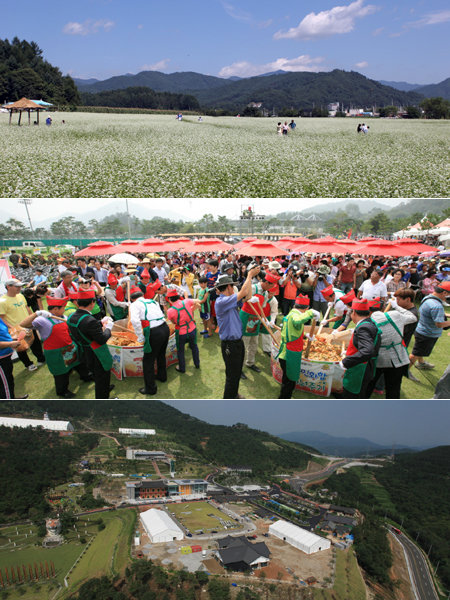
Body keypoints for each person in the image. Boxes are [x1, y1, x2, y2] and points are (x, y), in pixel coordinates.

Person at [20, 296, 92, 398]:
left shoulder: (64, 317)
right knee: (60, 373)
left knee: (78, 363)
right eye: (63, 308)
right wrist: (36, 313)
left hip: (69, 348)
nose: (64, 309)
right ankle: (62, 391)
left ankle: (86, 376)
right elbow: (23, 324)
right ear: (55, 309)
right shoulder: (42, 320)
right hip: (55, 352)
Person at [214, 265, 261, 399]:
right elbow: (242, 294)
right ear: (228, 287)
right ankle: (229, 399)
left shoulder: (230, 300)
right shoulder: (221, 301)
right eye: (232, 286)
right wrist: (249, 275)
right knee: (232, 376)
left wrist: (249, 279)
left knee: (236, 372)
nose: (233, 288)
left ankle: (234, 394)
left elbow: (247, 296)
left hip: (237, 342)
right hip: (230, 345)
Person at [366, 297, 418, 398]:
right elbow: (413, 317)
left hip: (378, 360)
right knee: (393, 388)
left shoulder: (368, 322)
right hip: (397, 359)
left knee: (368, 385)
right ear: (383, 307)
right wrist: (396, 306)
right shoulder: (396, 315)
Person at [67, 290, 114, 399]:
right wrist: (109, 328)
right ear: (93, 303)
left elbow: (84, 329)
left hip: (84, 351)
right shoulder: (89, 320)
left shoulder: (71, 317)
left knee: (97, 375)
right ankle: (103, 396)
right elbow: (102, 339)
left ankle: (104, 387)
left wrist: (100, 323)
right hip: (96, 353)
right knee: (102, 376)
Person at [277, 295, 319, 399]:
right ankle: (284, 399)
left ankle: (285, 396)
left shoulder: (292, 313)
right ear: (306, 308)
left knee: (288, 379)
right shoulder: (294, 315)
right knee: (290, 381)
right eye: (307, 311)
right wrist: (311, 313)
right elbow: (297, 321)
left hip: (289, 352)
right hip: (289, 354)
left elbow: (293, 330)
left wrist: (305, 336)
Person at [129, 291, 170, 396]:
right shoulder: (152, 301)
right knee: (161, 354)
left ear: (133, 299)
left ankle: (151, 389)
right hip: (165, 328)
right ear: (142, 296)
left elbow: (135, 321)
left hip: (154, 332)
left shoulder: (134, 305)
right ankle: (162, 376)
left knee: (148, 360)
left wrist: (140, 336)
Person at [0, 279, 46, 371]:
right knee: (21, 348)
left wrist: (32, 317)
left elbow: (27, 308)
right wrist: (12, 328)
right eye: (17, 286)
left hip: (28, 324)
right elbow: (2, 317)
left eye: (20, 286)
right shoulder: (2, 301)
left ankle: (41, 359)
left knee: (35, 342)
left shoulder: (21, 295)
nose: (20, 288)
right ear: (8, 287)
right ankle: (28, 364)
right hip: (16, 329)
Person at [340, 298, 381, 399]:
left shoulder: (364, 328)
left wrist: (347, 361)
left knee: (352, 396)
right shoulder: (370, 322)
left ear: (353, 312)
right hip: (367, 367)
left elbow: (367, 350)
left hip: (360, 370)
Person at [409, 281, 450, 371]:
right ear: (444, 293)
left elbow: (431, 313)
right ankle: (403, 372)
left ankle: (421, 363)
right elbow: (439, 324)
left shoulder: (428, 298)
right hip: (427, 334)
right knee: (415, 353)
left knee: (420, 350)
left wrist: (446, 315)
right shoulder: (437, 306)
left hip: (421, 329)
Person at [166, 289, 201, 373]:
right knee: (194, 347)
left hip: (181, 332)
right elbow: (198, 300)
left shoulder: (170, 311)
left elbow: (171, 322)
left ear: (170, 299)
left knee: (180, 350)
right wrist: (194, 307)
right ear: (178, 297)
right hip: (192, 329)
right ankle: (197, 364)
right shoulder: (186, 301)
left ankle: (182, 368)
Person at [0, 317, 26, 399]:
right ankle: (10, 401)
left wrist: (12, 339)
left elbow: (3, 334)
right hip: (1, 359)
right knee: (5, 384)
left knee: (8, 380)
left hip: (5, 356)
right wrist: (10, 344)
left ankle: (11, 397)